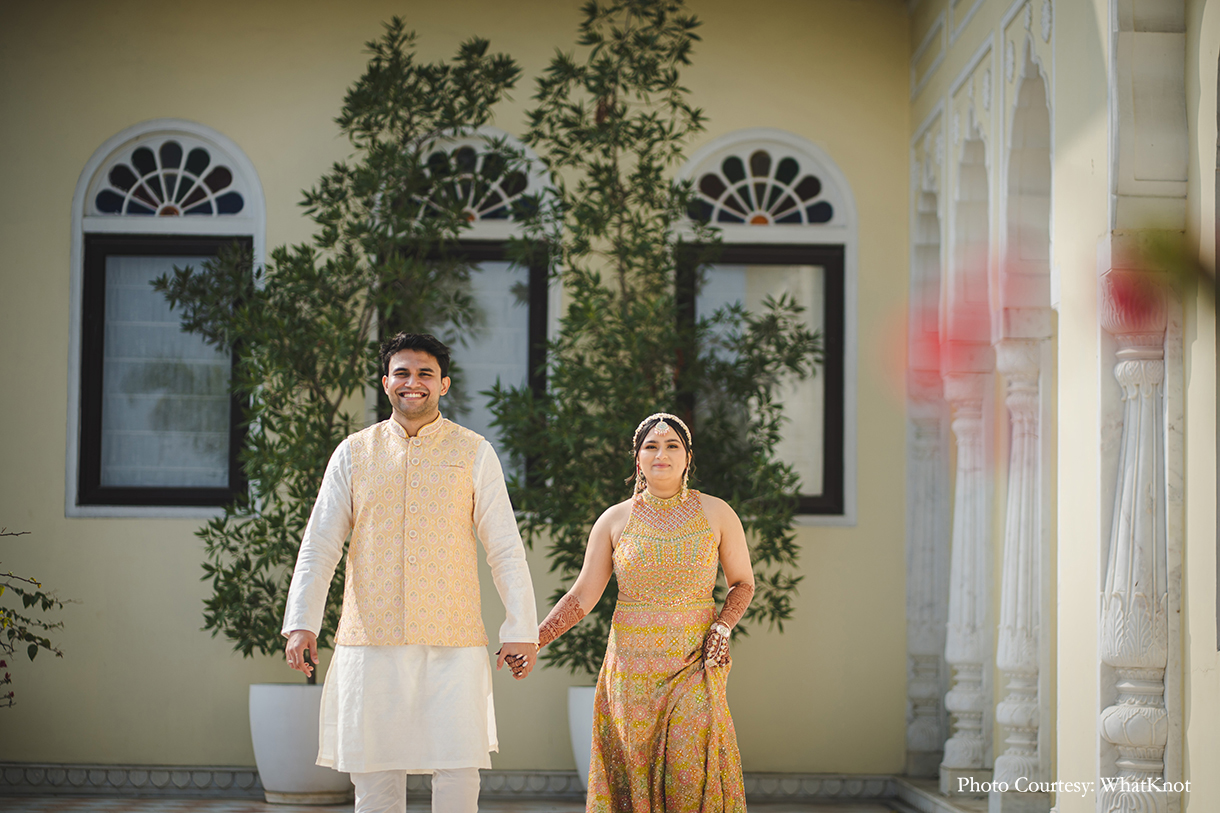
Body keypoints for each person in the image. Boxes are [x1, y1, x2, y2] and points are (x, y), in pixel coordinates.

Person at [281, 332, 539, 813]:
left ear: (444, 384)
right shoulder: (354, 453)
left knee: (458, 768)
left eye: (424, 373)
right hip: (370, 636)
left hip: (453, 638)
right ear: (385, 383)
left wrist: (521, 628)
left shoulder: (474, 452)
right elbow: (319, 544)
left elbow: (504, 546)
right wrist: (301, 623)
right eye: (402, 373)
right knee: (374, 773)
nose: (412, 383)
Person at [526, 412, 755, 813]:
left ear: (688, 458)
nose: (661, 454)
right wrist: (535, 639)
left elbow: (743, 583)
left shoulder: (717, 513)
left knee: (689, 776)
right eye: (651, 446)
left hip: (693, 664)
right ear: (637, 459)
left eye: (672, 446)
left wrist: (722, 627)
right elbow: (582, 596)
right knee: (635, 782)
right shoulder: (614, 520)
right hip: (631, 674)